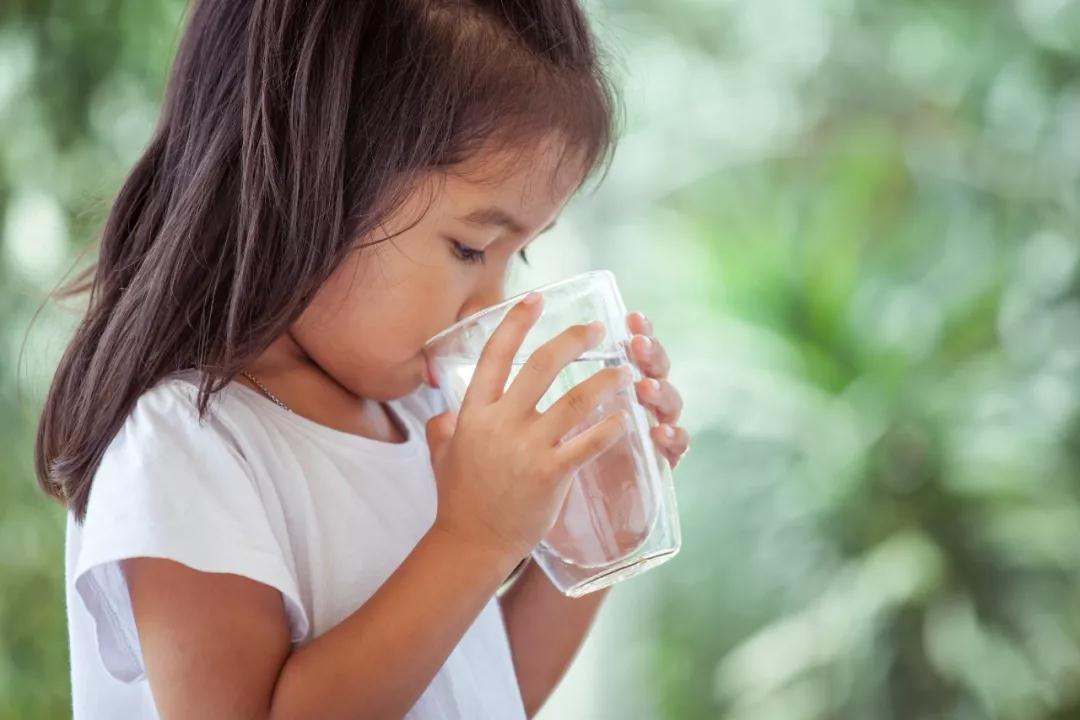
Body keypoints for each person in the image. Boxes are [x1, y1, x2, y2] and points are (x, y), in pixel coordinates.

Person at [35, 1, 690, 717]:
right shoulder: (189, 444)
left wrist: (605, 524)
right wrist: (473, 541)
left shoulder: (421, 412)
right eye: (471, 248)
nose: (490, 303)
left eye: (520, 252)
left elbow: (481, 691)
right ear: (304, 177)